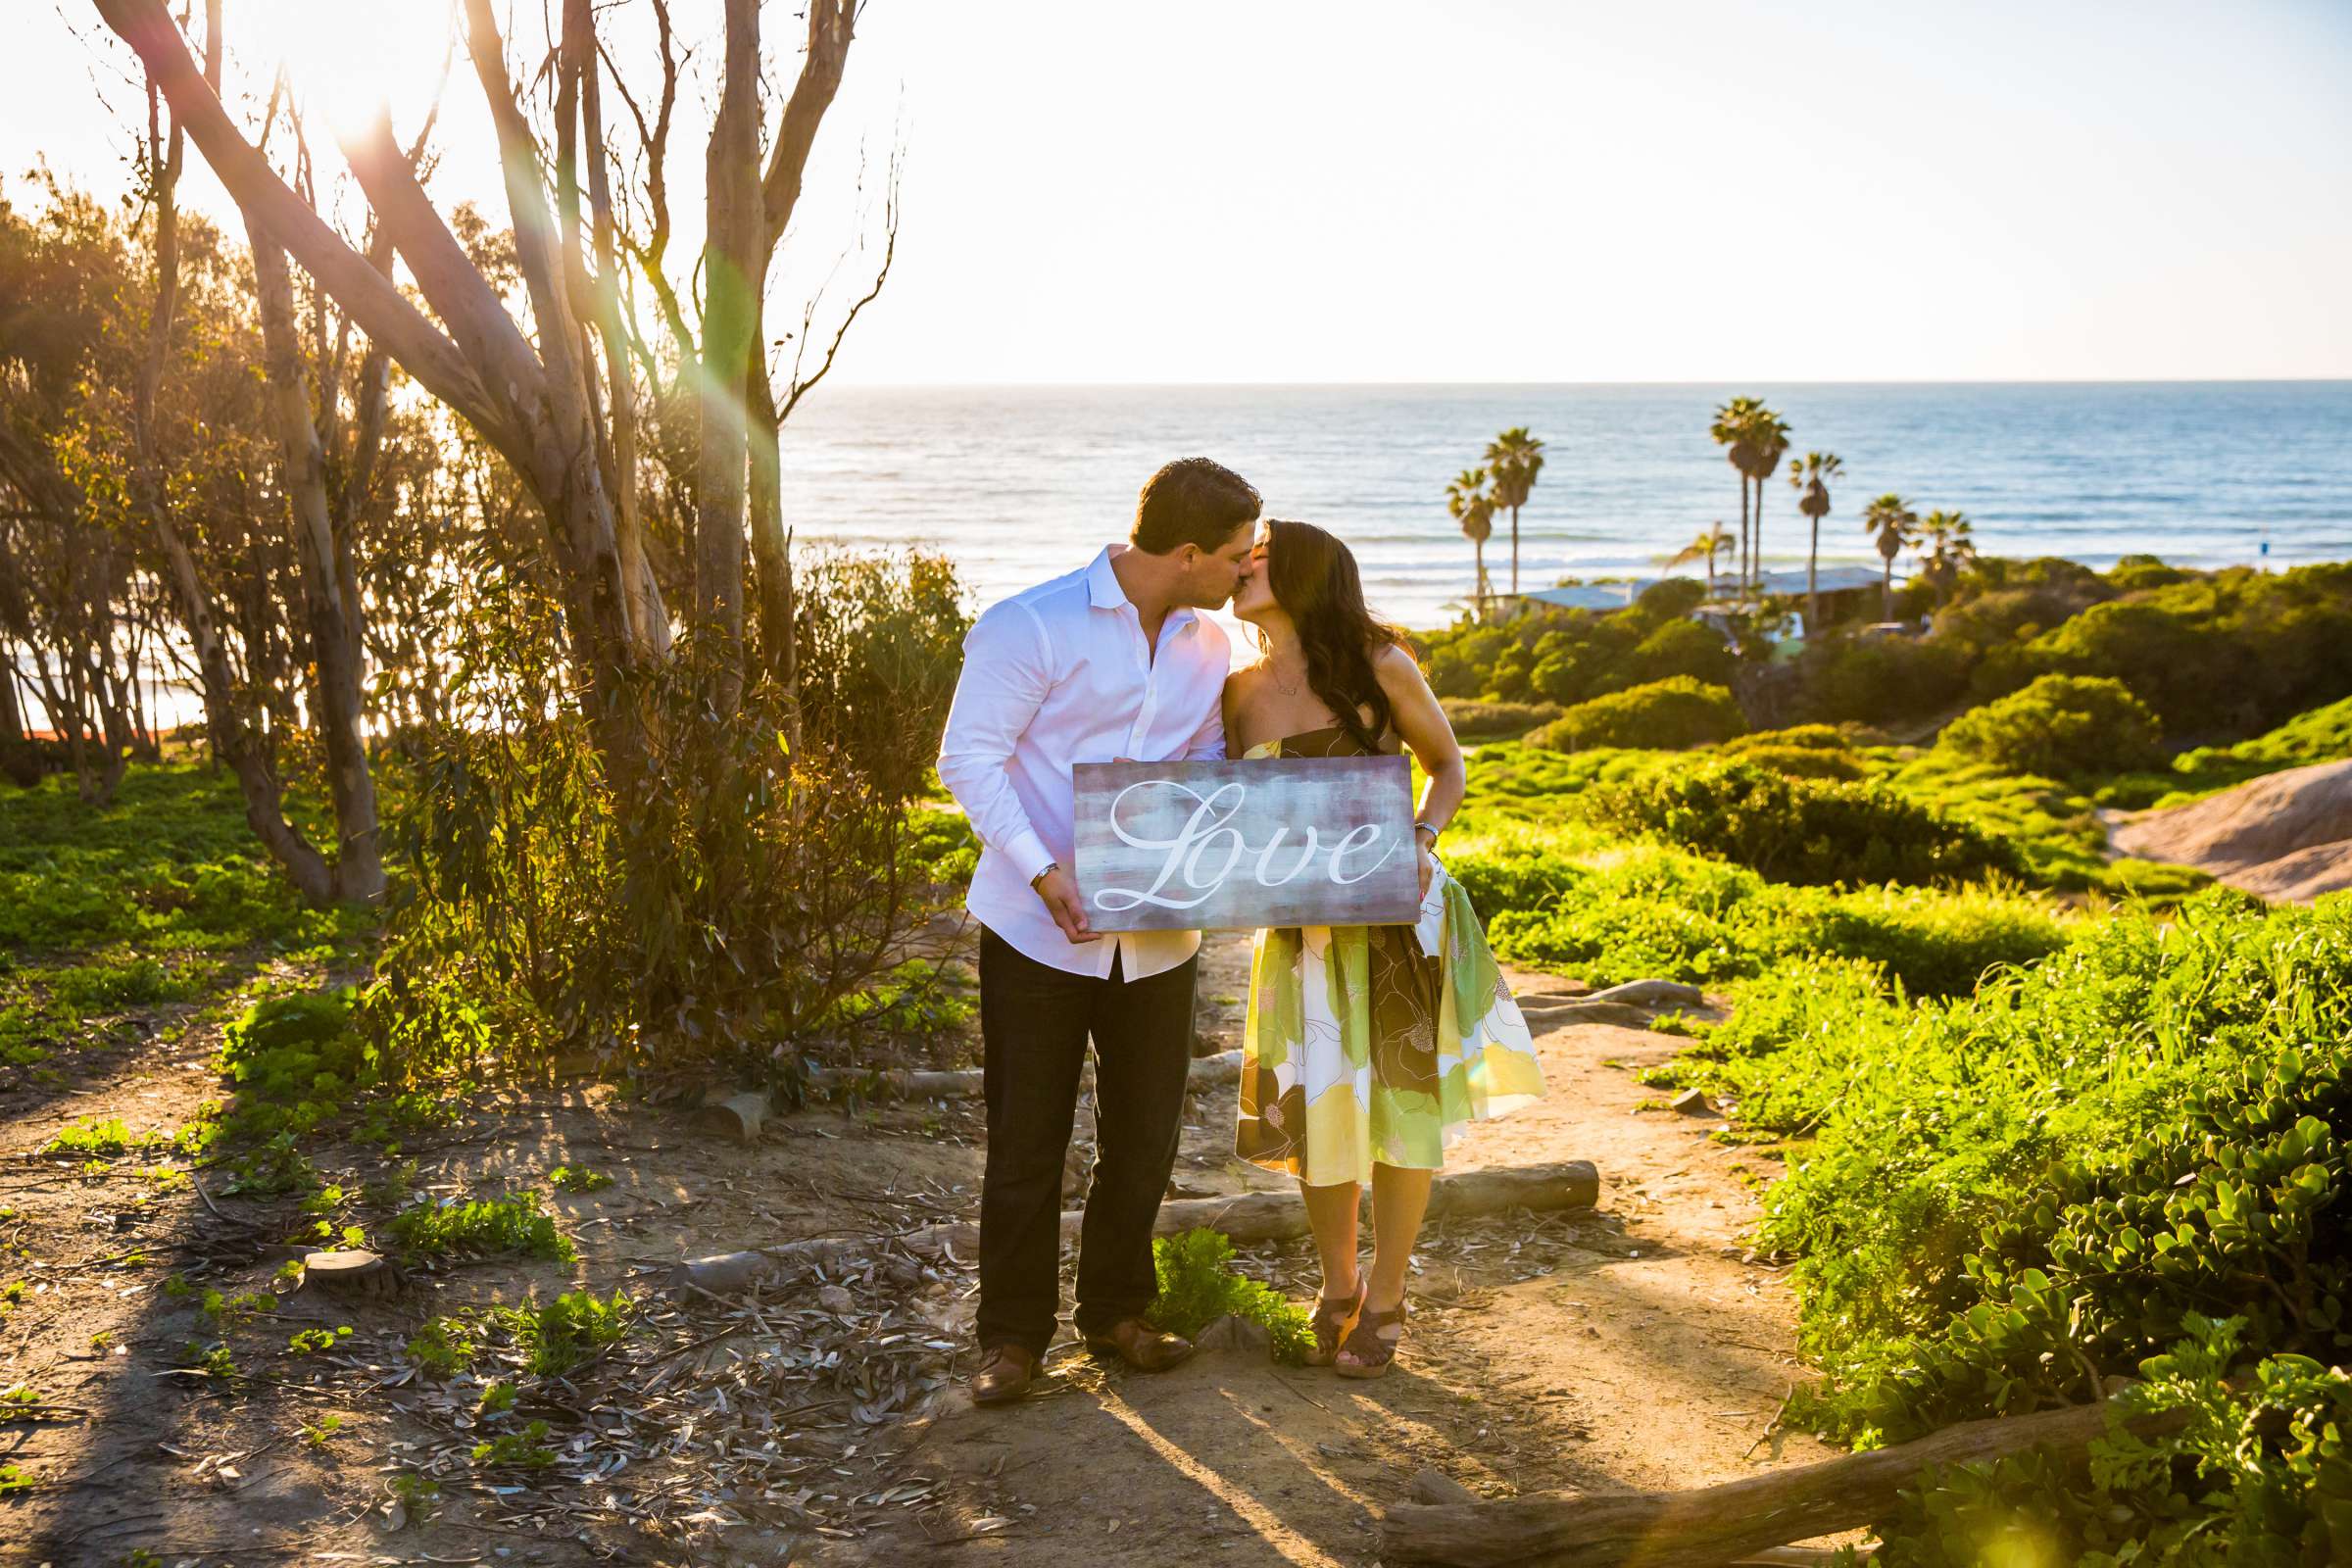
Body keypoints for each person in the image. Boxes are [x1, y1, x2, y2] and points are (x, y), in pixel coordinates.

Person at [936, 457, 1262, 1406]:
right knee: (1027, 1136)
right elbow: (969, 758)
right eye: (1237, 557)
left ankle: (1116, 1308)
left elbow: (1202, 754)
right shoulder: (1029, 623)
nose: (1246, 573)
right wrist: (1043, 869)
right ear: (1189, 552)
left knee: (1147, 1132)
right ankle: (1010, 1338)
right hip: (1037, 929)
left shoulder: (1209, 645)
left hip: (1158, 935)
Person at [1222, 518, 1545, 1378]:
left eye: (1258, 558)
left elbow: (1446, 765)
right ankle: (1337, 1287)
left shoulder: (1380, 665)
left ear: (1304, 574)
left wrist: (1422, 838)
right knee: (1314, 1105)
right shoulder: (1239, 689)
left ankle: (1390, 1293)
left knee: (1403, 1113)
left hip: (1398, 918)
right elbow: (1228, 811)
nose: (1241, 569)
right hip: (1300, 932)